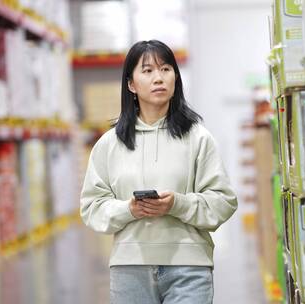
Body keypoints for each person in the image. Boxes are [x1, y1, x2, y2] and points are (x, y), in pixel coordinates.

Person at [80, 40, 238, 304]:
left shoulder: (198, 138)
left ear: (176, 77)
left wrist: (178, 204)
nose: (158, 78)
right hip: (130, 271)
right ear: (131, 84)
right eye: (148, 71)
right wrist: (129, 209)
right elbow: (91, 208)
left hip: (189, 269)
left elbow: (224, 201)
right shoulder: (109, 144)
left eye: (165, 69)